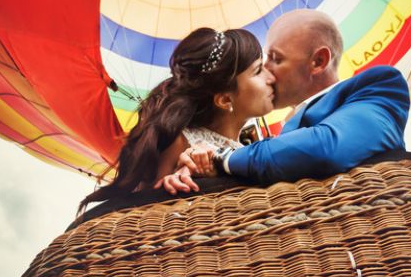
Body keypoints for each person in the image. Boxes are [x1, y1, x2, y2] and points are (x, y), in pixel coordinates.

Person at [158, 9, 410, 193]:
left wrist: (220, 158)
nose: (266, 71)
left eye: (276, 59)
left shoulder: (379, 87)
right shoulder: (283, 138)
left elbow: (324, 148)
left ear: (318, 62)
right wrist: (201, 172)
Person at [81, 27, 275, 208]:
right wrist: (170, 188)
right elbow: (151, 212)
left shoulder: (250, 149)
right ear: (225, 100)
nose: (271, 77)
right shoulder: (181, 141)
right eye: (258, 70)